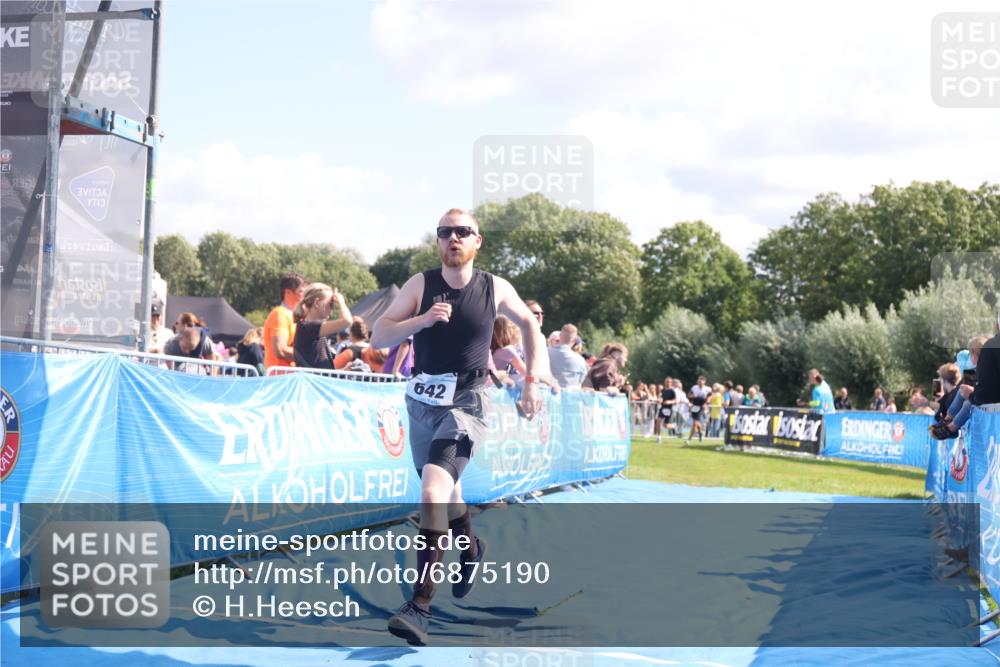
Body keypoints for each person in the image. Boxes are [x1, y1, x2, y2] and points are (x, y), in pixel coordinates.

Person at [371, 208, 553, 645]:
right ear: (438, 242)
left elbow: (530, 323)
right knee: (448, 494)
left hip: (468, 402)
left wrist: (532, 381)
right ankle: (471, 548)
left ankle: (420, 605)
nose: (453, 238)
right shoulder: (421, 284)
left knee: (432, 491)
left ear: (477, 241)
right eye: (445, 232)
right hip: (421, 404)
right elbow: (379, 336)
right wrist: (423, 320)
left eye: (462, 232)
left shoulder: (493, 287)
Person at [292, 283, 353, 369]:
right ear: (316, 303)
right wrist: (341, 301)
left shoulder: (309, 327)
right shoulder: (308, 327)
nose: (332, 308)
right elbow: (347, 321)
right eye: (330, 303)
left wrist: (343, 371)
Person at [263, 272, 307, 369]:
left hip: (290, 377)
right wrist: (309, 356)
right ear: (288, 292)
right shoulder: (279, 314)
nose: (305, 295)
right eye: (301, 291)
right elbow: (281, 350)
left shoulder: (295, 316)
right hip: (280, 378)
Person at [547, 323, 589, 389]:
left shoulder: (545, 353)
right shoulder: (580, 360)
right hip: (571, 397)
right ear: (575, 340)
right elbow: (583, 381)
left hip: (547, 396)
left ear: (560, 335)